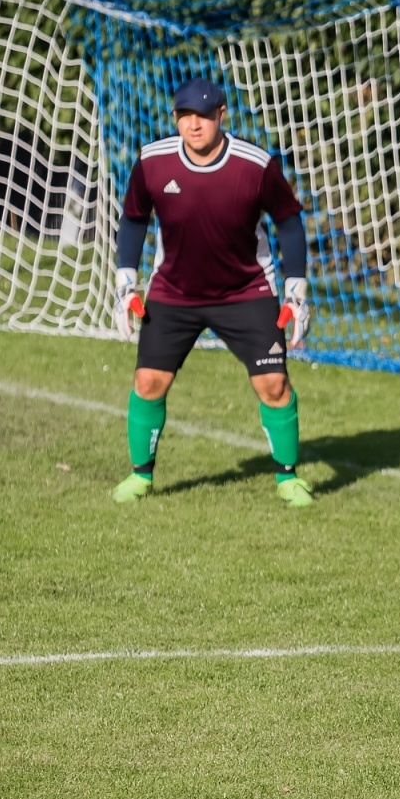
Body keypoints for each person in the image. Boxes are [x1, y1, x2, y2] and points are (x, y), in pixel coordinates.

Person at [109, 78, 314, 507]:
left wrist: (296, 291)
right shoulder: (152, 162)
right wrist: (125, 283)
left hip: (247, 290)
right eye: (185, 116)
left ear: (222, 115)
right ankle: (140, 476)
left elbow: (289, 221)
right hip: (174, 291)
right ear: (175, 119)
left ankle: (288, 477)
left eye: (203, 115)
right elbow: (132, 220)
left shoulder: (255, 165)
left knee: (274, 385)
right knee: (148, 381)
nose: (194, 124)